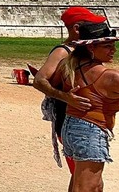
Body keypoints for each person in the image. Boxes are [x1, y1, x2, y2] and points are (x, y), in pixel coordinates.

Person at [33, 6, 106, 190]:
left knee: (85, 179)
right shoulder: (63, 51)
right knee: (88, 182)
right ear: (76, 28)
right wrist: (67, 97)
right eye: (91, 25)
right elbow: (39, 81)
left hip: (87, 121)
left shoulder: (85, 50)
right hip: (71, 121)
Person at [58, 21, 119, 192]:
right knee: (88, 187)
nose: (113, 50)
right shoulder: (110, 76)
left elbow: (43, 81)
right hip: (90, 130)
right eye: (108, 46)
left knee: (91, 185)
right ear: (92, 48)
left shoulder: (71, 66)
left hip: (72, 126)